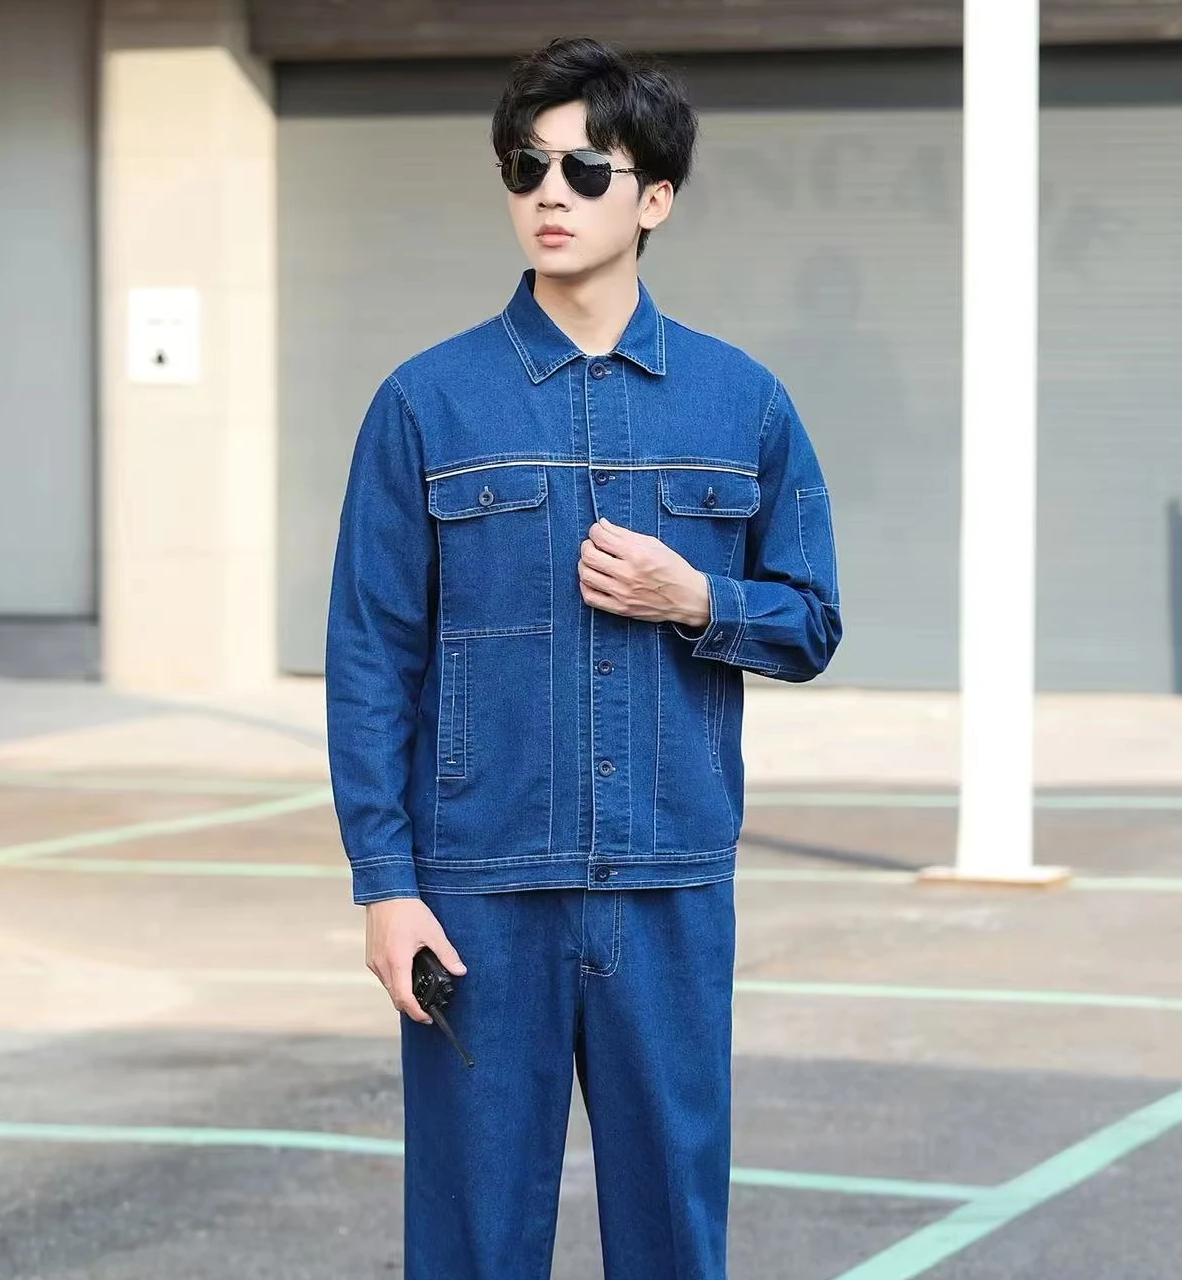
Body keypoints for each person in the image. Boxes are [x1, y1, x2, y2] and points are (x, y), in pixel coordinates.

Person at [325, 35, 842, 1279]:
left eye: (584, 169)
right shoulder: (424, 403)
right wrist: (385, 884)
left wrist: (695, 596)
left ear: (652, 197)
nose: (547, 193)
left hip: (668, 883)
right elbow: (369, 658)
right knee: (471, 1242)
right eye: (525, 165)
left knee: (672, 1237)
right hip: (477, 892)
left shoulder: (742, 402)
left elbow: (809, 620)